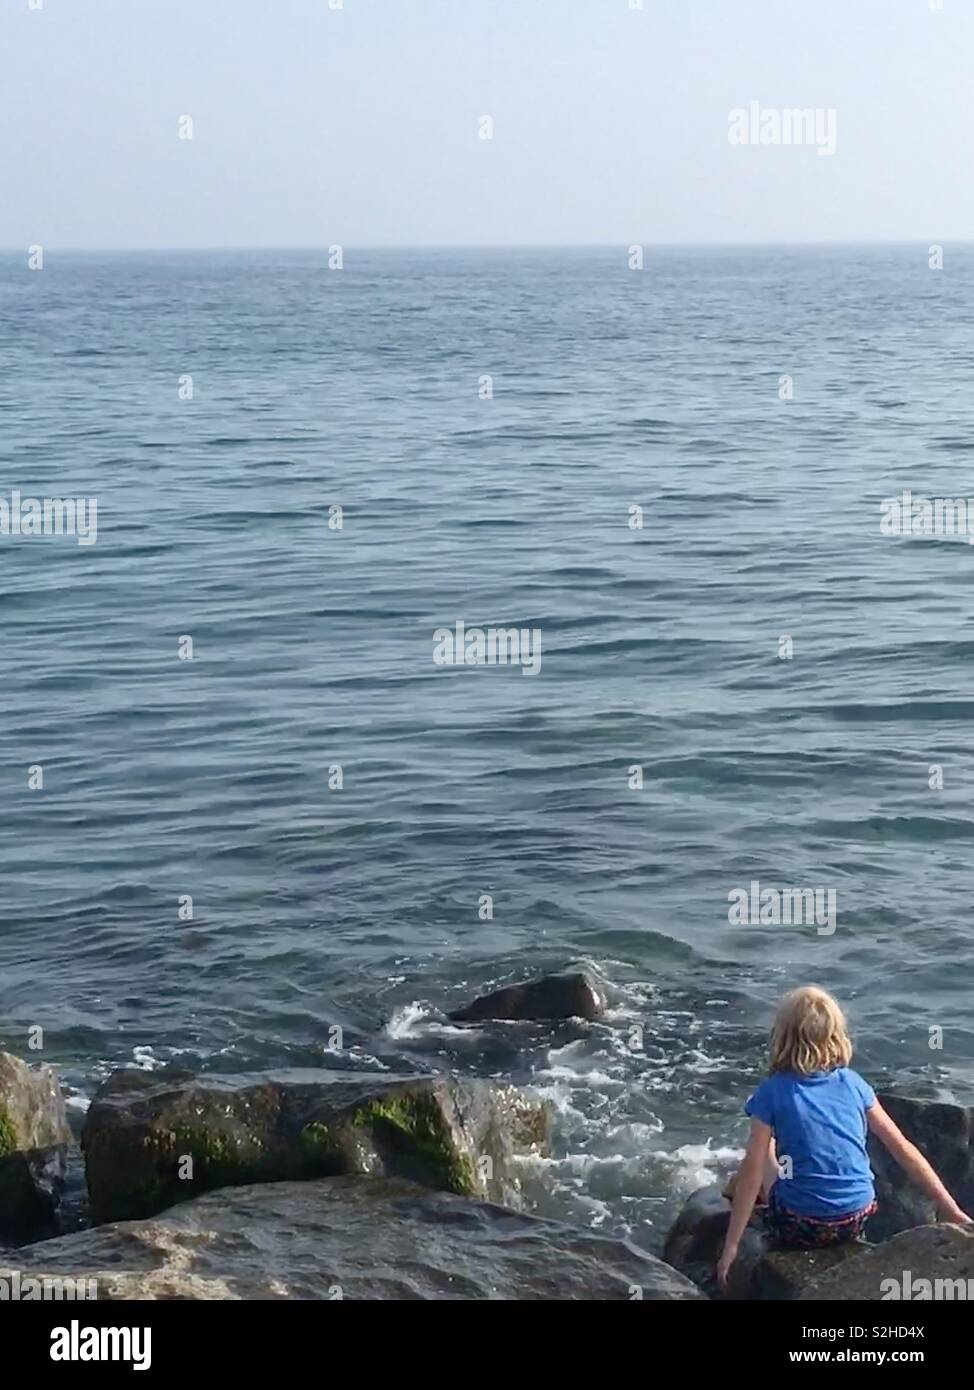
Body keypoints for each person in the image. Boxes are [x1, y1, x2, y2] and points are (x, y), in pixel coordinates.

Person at [717, 985, 970, 1290]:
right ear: (836, 1033)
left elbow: (753, 1170)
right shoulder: (854, 1084)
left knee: (765, 1153)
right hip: (857, 1217)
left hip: (801, 1225)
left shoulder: (773, 1091)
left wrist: (730, 1247)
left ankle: (741, 1189)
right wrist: (950, 1207)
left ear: (782, 1035)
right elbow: (901, 1148)